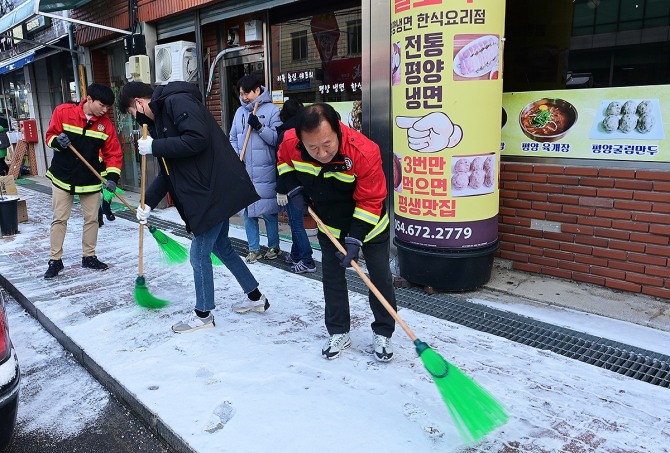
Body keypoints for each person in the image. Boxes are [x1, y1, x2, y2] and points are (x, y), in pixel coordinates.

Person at [117, 81, 270, 333]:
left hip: (214, 188)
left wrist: (156, 146)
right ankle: (255, 296)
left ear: (138, 103)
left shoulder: (177, 101)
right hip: (209, 190)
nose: (137, 120)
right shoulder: (160, 121)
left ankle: (203, 314)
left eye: (134, 114)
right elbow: (169, 172)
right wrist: (148, 203)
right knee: (221, 247)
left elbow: (197, 139)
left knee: (199, 254)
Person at [276, 103, 396, 362]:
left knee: (378, 278)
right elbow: (283, 163)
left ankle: (383, 331)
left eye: (327, 144)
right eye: (313, 147)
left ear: (339, 128)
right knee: (332, 279)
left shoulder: (364, 152)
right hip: (328, 224)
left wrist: (355, 239)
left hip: (370, 224)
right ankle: (339, 331)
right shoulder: (290, 142)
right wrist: (293, 188)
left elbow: (371, 200)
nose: (321, 153)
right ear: (300, 139)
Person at [43, 83, 123, 279]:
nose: (105, 111)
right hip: (63, 177)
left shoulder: (106, 125)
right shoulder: (63, 112)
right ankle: (55, 260)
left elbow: (113, 153)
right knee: (60, 218)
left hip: (89, 179)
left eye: (108, 108)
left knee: (92, 219)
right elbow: (50, 136)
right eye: (102, 105)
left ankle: (89, 256)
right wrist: (57, 142)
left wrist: (112, 177)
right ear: (89, 99)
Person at [229, 75, 282, 264]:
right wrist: (237, 158)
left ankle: (274, 246)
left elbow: (277, 140)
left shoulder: (272, 111)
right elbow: (233, 138)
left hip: (265, 170)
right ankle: (253, 249)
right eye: (241, 94)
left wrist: (259, 127)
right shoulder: (239, 113)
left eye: (247, 93)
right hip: (245, 171)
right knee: (248, 211)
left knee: (268, 211)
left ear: (258, 91)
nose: (244, 97)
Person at [275, 99, 316, 274]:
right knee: (295, 222)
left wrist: (281, 189)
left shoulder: (286, 134)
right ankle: (296, 254)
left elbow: (282, 164)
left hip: (292, 186)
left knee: (297, 224)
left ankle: (307, 260)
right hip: (306, 183)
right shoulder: (305, 130)